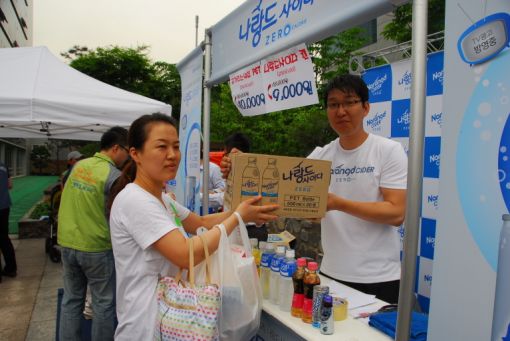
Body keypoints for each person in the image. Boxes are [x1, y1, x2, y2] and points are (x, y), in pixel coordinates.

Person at [222, 75, 407, 303]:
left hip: (379, 277)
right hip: (331, 274)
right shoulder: (321, 156)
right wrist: (238, 170)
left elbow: (396, 213)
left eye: (349, 102)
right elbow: (281, 190)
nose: (341, 111)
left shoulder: (388, 151)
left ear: (366, 108)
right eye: (333, 104)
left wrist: (338, 204)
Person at [108, 113, 278, 340]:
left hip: (171, 322)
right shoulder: (135, 200)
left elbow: (201, 222)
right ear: (135, 154)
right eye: (161, 147)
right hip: (145, 327)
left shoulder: (162, 198)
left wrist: (248, 212)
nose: (172, 155)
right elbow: (186, 254)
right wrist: (237, 216)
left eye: (176, 146)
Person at [57, 126, 129, 341]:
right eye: (126, 150)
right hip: (96, 247)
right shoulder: (114, 175)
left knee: (71, 300)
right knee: (103, 304)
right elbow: (120, 213)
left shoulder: (79, 166)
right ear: (116, 148)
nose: (127, 156)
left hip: (67, 243)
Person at [0, 160, 17, 280]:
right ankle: (11, 269)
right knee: (4, 238)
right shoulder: (3, 165)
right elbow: (10, 185)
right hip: (4, 206)